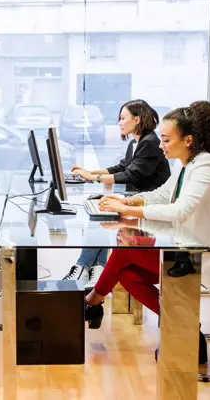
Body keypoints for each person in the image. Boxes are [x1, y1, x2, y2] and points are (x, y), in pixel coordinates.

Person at [83, 101, 210, 365]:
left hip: (209, 254)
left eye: (167, 140)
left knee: (125, 255)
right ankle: (184, 327)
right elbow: (162, 195)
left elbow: (180, 210)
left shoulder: (206, 166)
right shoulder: (187, 163)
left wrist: (130, 211)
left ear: (189, 140)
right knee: (127, 274)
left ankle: (91, 302)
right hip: (187, 247)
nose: (161, 146)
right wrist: (130, 204)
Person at [61, 100, 171, 289]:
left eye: (122, 118)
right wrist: (91, 173)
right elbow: (121, 167)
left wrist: (92, 177)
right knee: (100, 212)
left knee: (101, 214)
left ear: (137, 119)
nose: (119, 123)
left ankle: (84, 266)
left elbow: (131, 174)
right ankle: (95, 267)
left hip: (150, 204)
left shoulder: (150, 142)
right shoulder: (136, 143)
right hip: (137, 200)